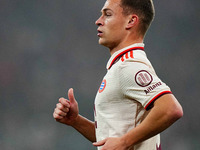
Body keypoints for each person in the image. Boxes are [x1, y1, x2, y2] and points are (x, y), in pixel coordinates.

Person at [53, 0, 183, 149]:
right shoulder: (122, 66)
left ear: (131, 21)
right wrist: (76, 121)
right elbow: (111, 141)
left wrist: (124, 141)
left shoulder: (128, 66)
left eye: (107, 14)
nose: (98, 21)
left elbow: (171, 109)